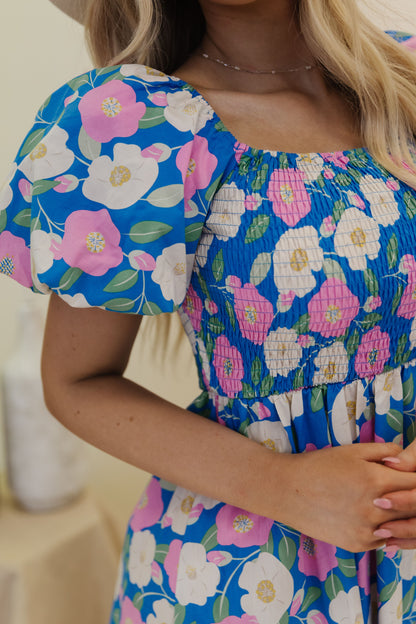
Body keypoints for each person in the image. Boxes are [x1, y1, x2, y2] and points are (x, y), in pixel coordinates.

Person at [2, 0, 416, 621]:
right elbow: (76, 382)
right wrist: (284, 487)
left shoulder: (403, 79)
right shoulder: (138, 127)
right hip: (252, 573)